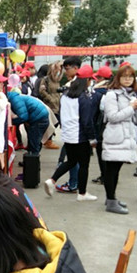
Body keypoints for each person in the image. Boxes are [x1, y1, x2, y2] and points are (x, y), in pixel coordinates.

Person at [44, 64, 97, 201]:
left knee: (71, 161)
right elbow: (87, 121)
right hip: (80, 136)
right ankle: (82, 193)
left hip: (67, 134)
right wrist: (92, 138)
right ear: (88, 80)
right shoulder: (84, 97)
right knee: (83, 165)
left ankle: (52, 180)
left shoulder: (66, 95)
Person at [101, 64, 137, 214]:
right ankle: (111, 201)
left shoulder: (132, 95)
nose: (127, 79)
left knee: (116, 170)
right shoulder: (112, 95)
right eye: (124, 76)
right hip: (116, 137)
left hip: (127, 137)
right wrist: (131, 108)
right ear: (118, 78)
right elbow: (112, 117)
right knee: (111, 170)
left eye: (130, 76)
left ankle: (111, 198)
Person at [54, 57, 82, 193]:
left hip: (75, 128)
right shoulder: (73, 84)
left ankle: (73, 183)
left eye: (67, 68)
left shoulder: (77, 86)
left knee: (72, 159)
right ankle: (74, 183)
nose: (65, 72)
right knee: (74, 159)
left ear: (76, 68)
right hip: (73, 128)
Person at [7, 89, 49, 155]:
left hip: (38, 119)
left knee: (34, 141)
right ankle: (31, 157)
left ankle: (33, 158)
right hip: (39, 117)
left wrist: (10, 122)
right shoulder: (15, 98)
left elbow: (23, 117)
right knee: (34, 140)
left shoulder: (15, 100)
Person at [90, 65, 113, 185]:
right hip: (111, 127)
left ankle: (105, 176)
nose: (96, 80)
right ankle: (108, 175)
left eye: (98, 77)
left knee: (101, 153)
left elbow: (93, 114)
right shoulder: (113, 90)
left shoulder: (97, 92)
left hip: (100, 128)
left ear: (102, 78)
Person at [37, 61, 63, 150]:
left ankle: (47, 138)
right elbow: (42, 91)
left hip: (57, 104)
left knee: (56, 121)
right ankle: (47, 140)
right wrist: (50, 99)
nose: (59, 70)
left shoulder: (57, 80)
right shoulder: (46, 79)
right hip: (50, 104)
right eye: (58, 68)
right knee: (52, 121)